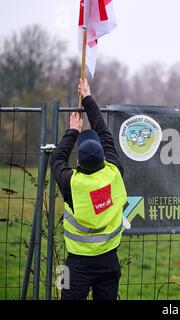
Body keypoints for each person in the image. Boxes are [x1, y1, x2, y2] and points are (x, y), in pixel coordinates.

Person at [50, 78, 127, 300]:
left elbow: (56, 159)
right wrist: (88, 98)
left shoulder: (72, 183)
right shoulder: (114, 171)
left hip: (76, 263)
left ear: (79, 162)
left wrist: (73, 131)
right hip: (110, 261)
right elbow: (104, 133)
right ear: (104, 156)